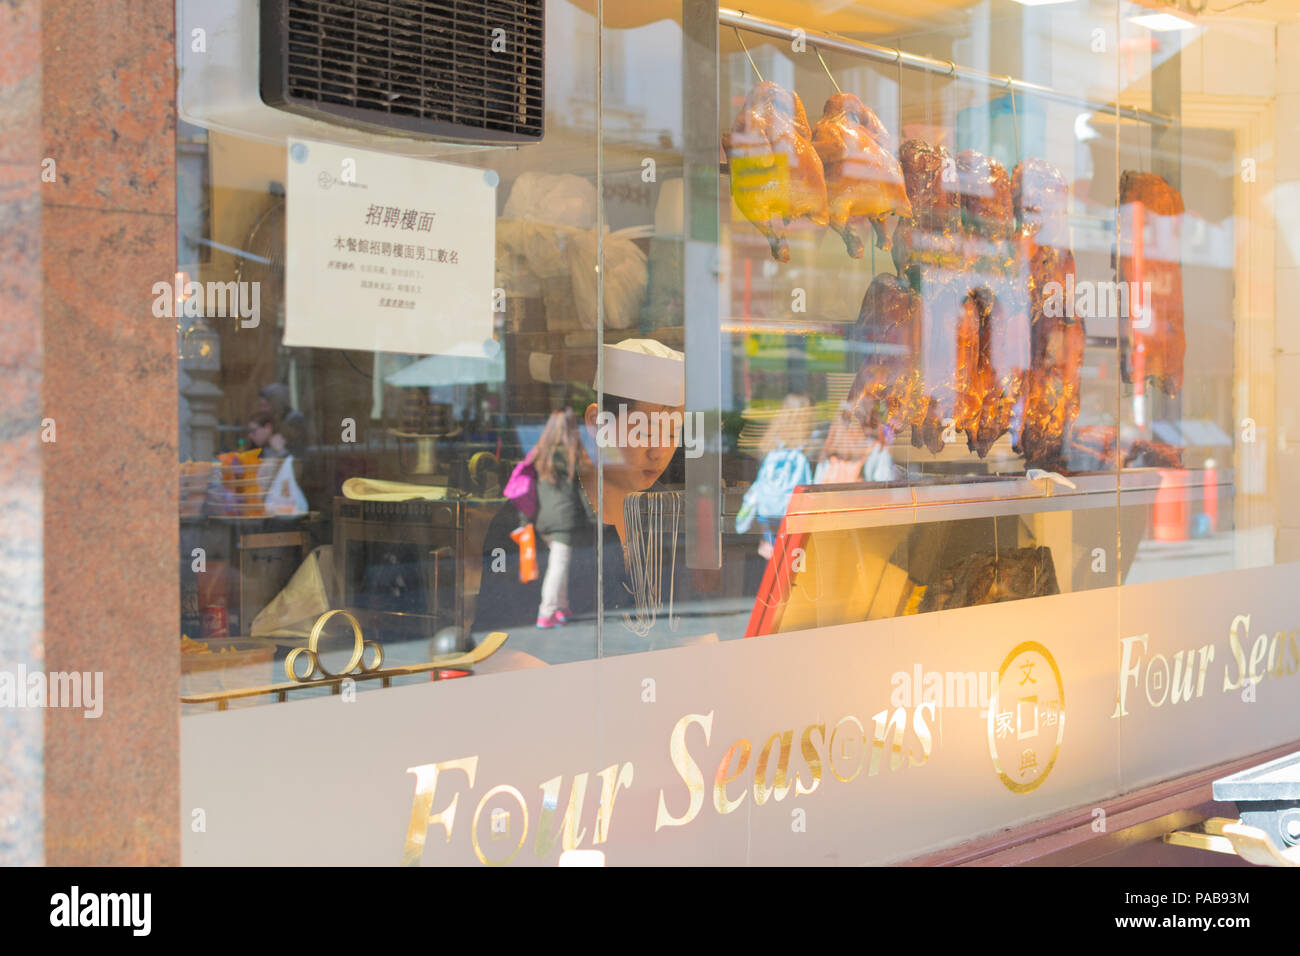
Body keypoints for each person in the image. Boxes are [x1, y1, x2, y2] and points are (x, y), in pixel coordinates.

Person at [473, 339, 693, 660]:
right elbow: (499, 652)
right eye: (644, 432)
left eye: (672, 433)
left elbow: (687, 633)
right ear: (596, 423)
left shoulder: (666, 515)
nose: (659, 452)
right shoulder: (534, 518)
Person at [532, 408, 592, 629]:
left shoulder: (541, 453)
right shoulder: (572, 455)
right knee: (558, 565)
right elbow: (584, 491)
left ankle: (561, 607)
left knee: (560, 563)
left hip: (544, 519)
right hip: (564, 520)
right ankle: (546, 611)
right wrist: (594, 516)